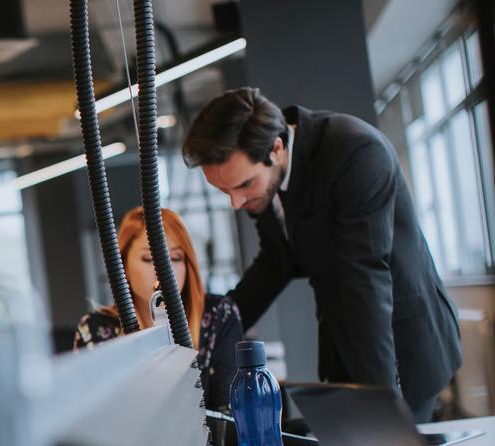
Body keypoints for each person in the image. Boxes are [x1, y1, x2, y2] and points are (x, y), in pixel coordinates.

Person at [182, 87, 461, 423]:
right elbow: (278, 260)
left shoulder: (355, 151)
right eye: (224, 190)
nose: (236, 203)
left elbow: (365, 279)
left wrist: (382, 404)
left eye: (243, 185)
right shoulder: (263, 181)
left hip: (398, 339)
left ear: (277, 148)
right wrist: (210, 323)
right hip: (344, 338)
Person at [74, 206, 242, 411]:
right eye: (148, 258)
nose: (164, 269)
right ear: (122, 265)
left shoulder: (219, 314)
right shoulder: (95, 330)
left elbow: (229, 413)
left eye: (175, 258)